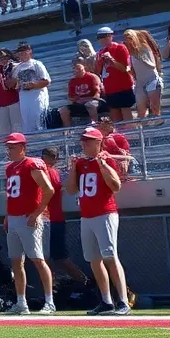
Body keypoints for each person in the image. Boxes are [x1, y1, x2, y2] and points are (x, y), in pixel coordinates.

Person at [66, 127, 129, 315]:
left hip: (105, 213)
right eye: (83, 140)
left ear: (98, 142)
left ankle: (123, 301)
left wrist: (104, 166)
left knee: (110, 256)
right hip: (86, 216)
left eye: (88, 140)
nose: (84, 143)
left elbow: (116, 186)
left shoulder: (106, 159)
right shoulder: (80, 164)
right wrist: (71, 169)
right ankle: (106, 300)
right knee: (94, 260)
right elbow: (70, 190)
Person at [2, 133, 56, 315]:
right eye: (8, 147)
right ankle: (21, 302)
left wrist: (36, 213)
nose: (9, 150)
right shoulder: (10, 168)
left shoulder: (31, 165)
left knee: (38, 259)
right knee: (16, 262)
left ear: (22, 147)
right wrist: (8, 214)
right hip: (14, 217)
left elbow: (48, 189)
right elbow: (12, 194)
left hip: (28, 217)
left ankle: (50, 301)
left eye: (12, 147)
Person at [39, 148, 87, 285]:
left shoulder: (48, 172)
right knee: (57, 257)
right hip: (53, 220)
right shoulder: (53, 172)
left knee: (48, 258)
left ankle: (52, 291)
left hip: (49, 220)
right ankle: (81, 282)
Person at [96, 26, 136, 122]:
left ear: (110, 36)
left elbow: (124, 68)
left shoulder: (120, 48)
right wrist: (99, 61)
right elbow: (99, 72)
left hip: (123, 86)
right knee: (115, 118)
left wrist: (112, 60)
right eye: (99, 37)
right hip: (110, 89)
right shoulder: (100, 53)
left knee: (126, 113)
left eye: (104, 36)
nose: (101, 40)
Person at [12, 42, 51, 135]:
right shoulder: (17, 68)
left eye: (23, 52)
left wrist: (34, 85)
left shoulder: (37, 64)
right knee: (27, 122)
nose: (21, 55)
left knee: (39, 120)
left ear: (29, 52)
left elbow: (47, 81)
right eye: (19, 53)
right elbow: (15, 85)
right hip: (24, 98)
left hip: (37, 97)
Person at [124, 29, 164, 118]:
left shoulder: (144, 48)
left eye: (129, 38)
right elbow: (133, 70)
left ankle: (159, 123)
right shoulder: (130, 53)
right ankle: (144, 129)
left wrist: (141, 57)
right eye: (126, 38)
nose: (127, 41)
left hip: (151, 79)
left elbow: (152, 65)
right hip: (140, 83)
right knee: (141, 110)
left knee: (154, 107)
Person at [58, 60, 105, 126]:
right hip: (79, 102)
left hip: (94, 100)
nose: (77, 71)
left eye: (79, 69)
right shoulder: (72, 81)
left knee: (90, 105)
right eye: (76, 70)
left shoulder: (92, 77)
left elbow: (97, 93)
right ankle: (67, 129)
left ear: (84, 69)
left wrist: (90, 99)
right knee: (63, 110)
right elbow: (70, 97)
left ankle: (95, 124)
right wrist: (75, 99)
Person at [0, 49, 22, 137]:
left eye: (4, 57)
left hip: (14, 101)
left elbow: (18, 83)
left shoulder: (15, 67)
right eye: (0, 58)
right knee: (4, 131)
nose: (2, 60)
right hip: (1, 103)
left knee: (16, 128)